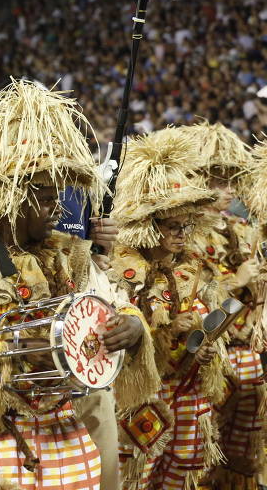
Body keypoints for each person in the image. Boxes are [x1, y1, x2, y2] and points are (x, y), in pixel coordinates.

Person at [0, 78, 157, 490]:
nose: (57, 207)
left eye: (57, 195)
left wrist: (132, 326)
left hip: (67, 436)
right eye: (45, 197)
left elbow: (112, 301)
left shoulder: (72, 254)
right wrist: (8, 351)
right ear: (10, 200)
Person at [110, 128, 228, 489]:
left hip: (190, 394)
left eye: (187, 225)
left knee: (185, 476)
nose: (181, 233)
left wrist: (207, 348)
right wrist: (163, 333)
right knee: (135, 480)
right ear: (147, 226)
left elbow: (211, 324)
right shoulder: (121, 273)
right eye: (173, 226)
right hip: (140, 398)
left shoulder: (194, 270)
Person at [179, 121, 265, 488]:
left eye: (231, 181)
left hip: (248, 351)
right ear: (197, 179)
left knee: (243, 448)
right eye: (217, 180)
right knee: (202, 447)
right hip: (211, 356)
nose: (227, 189)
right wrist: (238, 281)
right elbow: (188, 303)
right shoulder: (183, 235)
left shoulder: (245, 229)